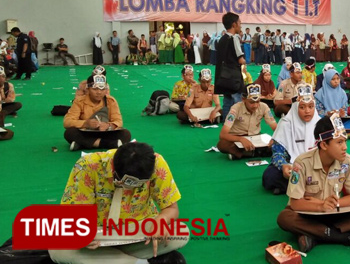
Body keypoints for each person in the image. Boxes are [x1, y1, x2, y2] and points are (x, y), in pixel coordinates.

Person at [48, 142, 189, 264]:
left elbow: (171, 208)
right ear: (115, 172)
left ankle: (112, 258)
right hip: (98, 233)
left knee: (181, 233)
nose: (135, 187)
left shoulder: (156, 163)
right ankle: (140, 260)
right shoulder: (87, 166)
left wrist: (160, 222)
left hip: (138, 229)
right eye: (130, 183)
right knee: (58, 249)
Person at [276, 115, 350, 253]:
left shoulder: (347, 161)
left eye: (345, 141)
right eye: (339, 142)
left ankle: (316, 235)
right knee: (285, 218)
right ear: (324, 145)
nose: (345, 147)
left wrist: (334, 205)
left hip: (336, 212)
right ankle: (347, 237)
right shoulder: (302, 163)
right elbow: (296, 203)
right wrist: (320, 205)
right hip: (310, 213)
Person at [263, 84, 320, 194]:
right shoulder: (286, 124)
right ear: (295, 107)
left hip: (316, 167)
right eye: (302, 107)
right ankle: (310, 186)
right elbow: (277, 153)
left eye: (311, 107)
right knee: (270, 175)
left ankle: (293, 186)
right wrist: (284, 165)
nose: (307, 111)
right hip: (292, 166)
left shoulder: (320, 124)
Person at [63, 75, 131, 151]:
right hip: (86, 133)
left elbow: (118, 121)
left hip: (105, 132)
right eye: (95, 89)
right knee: (69, 133)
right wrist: (86, 123)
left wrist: (109, 125)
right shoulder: (79, 101)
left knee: (126, 134)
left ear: (106, 90)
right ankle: (108, 144)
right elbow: (67, 122)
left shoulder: (111, 101)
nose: (99, 92)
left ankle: (84, 144)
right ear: (88, 89)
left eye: (102, 89)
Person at [218, 84, 278, 160]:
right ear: (243, 99)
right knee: (222, 144)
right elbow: (223, 134)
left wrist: (275, 139)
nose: (255, 105)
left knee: (279, 142)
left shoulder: (264, 107)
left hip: (256, 138)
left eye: (258, 101)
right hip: (237, 138)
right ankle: (259, 153)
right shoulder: (235, 108)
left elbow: (275, 127)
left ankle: (244, 154)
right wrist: (241, 139)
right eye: (251, 102)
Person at [214, 13, 246, 123]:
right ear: (234, 24)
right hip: (233, 77)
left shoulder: (221, 39)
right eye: (239, 23)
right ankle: (237, 126)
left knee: (227, 101)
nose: (240, 25)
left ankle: (226, 125)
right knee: (237, 101)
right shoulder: (234, 38)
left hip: (222, 77)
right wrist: (244, 62)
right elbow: (240, 59)